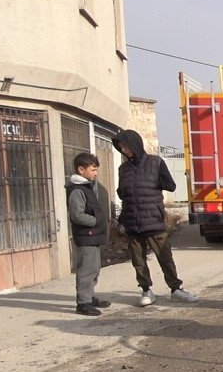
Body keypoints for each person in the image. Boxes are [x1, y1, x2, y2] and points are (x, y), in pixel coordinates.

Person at [112, 129, 199, 306]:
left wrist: (150, 185)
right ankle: (146, 290)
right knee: (138, 260)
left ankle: (176, 290)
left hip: (153, 221)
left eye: (125, 145)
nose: (123, 149)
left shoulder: (155, 162)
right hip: (132, 223)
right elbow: (123, 194)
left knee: (165, 258)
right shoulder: (123, 169)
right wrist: (122, 219)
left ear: (134, 144)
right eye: (120, 147)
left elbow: (171, 185)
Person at [66, 152, 111, 316]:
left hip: (92, 236)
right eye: (93, 169)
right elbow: (77, 215)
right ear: (81, 169)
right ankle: (83, 303)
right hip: (86, 235)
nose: (96, 173)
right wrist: (95, 221)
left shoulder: (86, 187)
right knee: (86, 270)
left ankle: (90, 297)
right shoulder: (77, 190)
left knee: (94, 268)